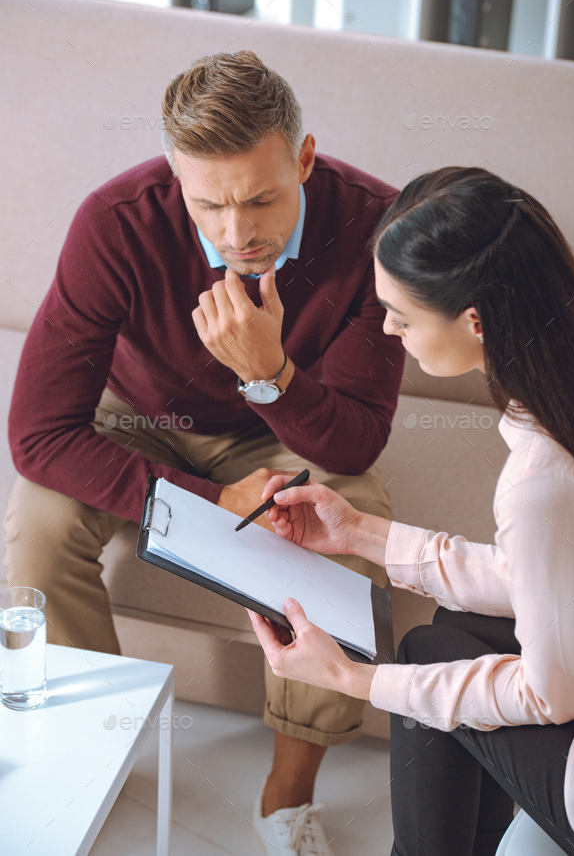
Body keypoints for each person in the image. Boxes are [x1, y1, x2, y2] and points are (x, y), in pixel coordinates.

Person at [3, 50, 405, 855]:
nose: (236, 234)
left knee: (353, 535)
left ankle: (288, 796)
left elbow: (357, 439)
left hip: (289, 423)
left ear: (305, 158)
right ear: (174, 177)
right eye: (207, 205)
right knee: (38, 528)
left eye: (261, 199)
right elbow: (38, 434)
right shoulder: (117, 221)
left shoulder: (374, 227)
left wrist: (272, 374)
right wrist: (200, 498)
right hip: (140, 416)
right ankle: (98, 748)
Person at [249, 166, 574, 856]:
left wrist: (353, 679)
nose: (392, 334)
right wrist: (361, 533)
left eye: (401, 318)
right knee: (456, 627)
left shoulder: (543, 475)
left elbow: (553, 698)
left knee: (426, 653)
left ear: (476, 320)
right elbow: (547, 575)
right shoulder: (566, 395)